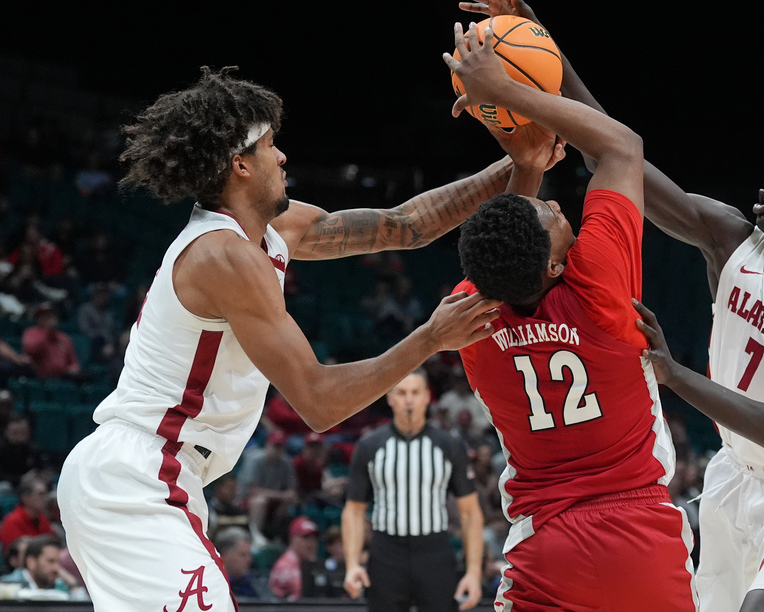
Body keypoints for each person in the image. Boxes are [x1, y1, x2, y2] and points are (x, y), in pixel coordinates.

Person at [454, 0, 764, 612]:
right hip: (728, 479)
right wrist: (540, 47)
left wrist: (672, 373)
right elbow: (611, 155)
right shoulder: (726, 236)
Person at [55, 65, 510, 611]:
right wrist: (430, 338)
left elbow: (403, 225)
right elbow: (318, 401)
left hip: (162, 474)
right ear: (239, 164)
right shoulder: (222, 254)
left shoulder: (273, 232)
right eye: (272, 145)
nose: (284, 156)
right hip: (137, 475)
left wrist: (518, 160)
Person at [448, 0, 697, 610]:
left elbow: (494, 261)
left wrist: (525, 167)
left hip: (545, 545)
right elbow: (621, 147)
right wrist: (507, 89)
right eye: (555, 219)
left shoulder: (471, 327)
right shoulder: (598, 287)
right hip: (640, 532)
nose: (560, 211)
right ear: (559, 265)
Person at [342, 368, 485, 611]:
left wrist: (473, 572)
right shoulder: (369, 446)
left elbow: (470, 512)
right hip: (386, 552)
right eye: (402, 392)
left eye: (415, 392)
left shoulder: (448, 446)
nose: (409, 399)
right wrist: (352, 564)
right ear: (389, 397)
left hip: (434, 551)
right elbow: (354, 511)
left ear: (427, 396)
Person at [242, 429, 299, 545]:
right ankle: (255, 536)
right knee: (260, 501)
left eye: (280, 446)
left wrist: (284, 497)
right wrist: (281, 496)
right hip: (247, 500)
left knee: (292, 500)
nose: (277, 450)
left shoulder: (286, 463)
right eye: (275, 446)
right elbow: (253, 490)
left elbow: (292, 490)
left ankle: (277, 534)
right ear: (267, 444)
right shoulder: (255, 459)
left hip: (273, 502)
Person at [21, 303, 82, 380]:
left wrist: (73, 368)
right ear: (38, 319)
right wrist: (47, 332)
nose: (48, 319)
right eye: (44, 316)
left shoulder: (64, 337)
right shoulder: (31, 333)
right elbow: (31, 350)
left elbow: (73, 361)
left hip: (62, 377)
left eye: (50, 316)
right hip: (40, 377)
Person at [0, 534, 71, 600]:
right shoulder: (6, 586)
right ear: (31, 562)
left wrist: (73, 584)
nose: (57, 568)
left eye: (58, 562)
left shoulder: (59, 585)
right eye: (50, 561)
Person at [268, 516, 320, 601]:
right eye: (306, 538)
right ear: (293, 539)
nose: (312, 544)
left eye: (314, 539)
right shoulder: (284, 565)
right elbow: (303, 591)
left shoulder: (311, 563)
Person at [0, 475, 55, 552]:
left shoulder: (42, 519)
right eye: (40, 494)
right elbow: (17, 555)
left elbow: (53, 543)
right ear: (25, 497)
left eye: (45, 494)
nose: (45, 498)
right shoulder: (11, 522)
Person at [212, 526, 263, 601]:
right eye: (242, 555)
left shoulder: (249, 586)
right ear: (224, 555)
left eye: (249, 554)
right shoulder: (212, 586)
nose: (248, 560)